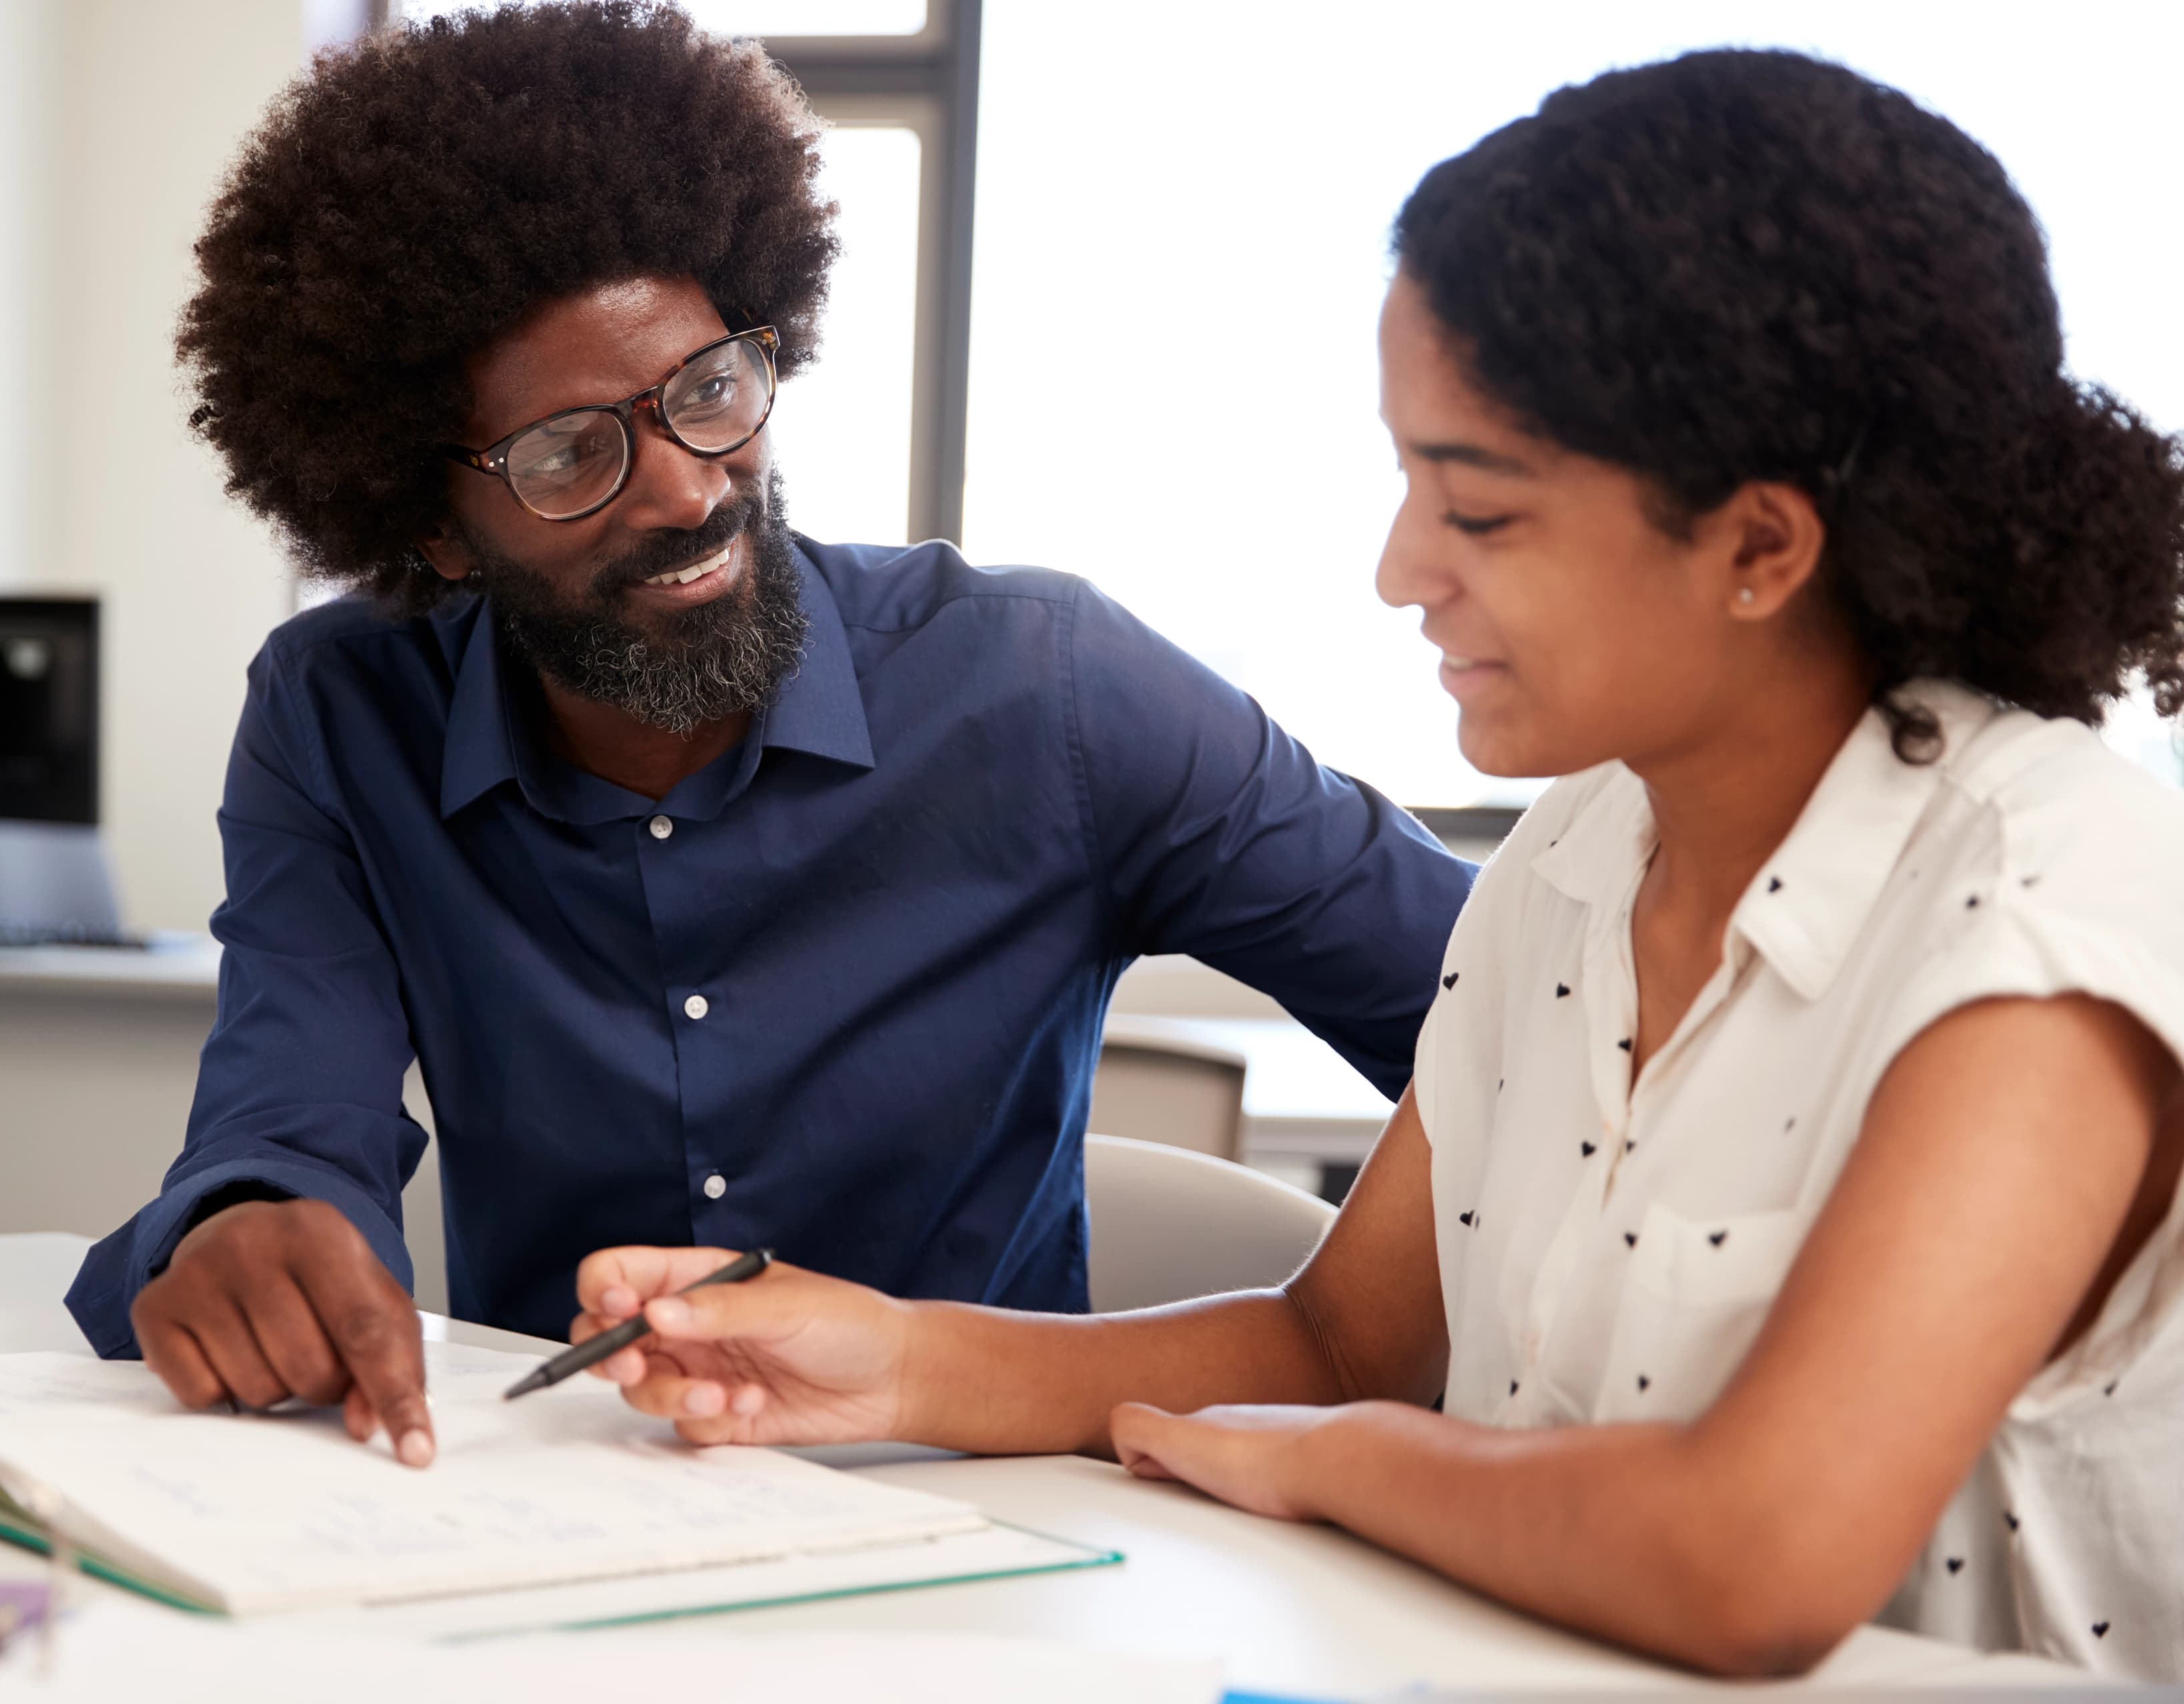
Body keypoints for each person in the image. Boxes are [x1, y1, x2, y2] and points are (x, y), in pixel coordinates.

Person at [566, 49, 2184, 1679]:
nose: (1400, 569)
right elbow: (1342, 1338)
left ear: (1761, 544)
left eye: (1476, 510)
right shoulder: (1577, 858)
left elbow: (1749, 1553)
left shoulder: (2047, 912)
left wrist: (1338, 1466)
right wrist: (897, 1361)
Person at [63, 1, 1472, 1467]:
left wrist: (1364, 1325)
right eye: (567, 451)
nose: (684, 486)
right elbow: (289, 1116)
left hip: (1000, 1528)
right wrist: (246, 1225)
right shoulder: (342, 715)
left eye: (711, 388)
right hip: (554, 1522)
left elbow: (1536, 1020)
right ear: (435, 528)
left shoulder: (1053, 690)